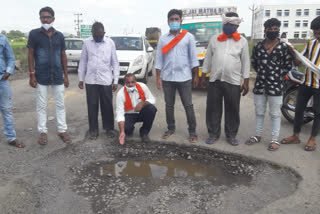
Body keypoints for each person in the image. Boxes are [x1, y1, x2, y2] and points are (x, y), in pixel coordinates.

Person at [201, 12, 250, 146]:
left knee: (233, 108)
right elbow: (208, 58)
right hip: (215, 79)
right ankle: (213, 133)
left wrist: (246, 81)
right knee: (213, 108)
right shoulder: (215, 39)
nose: (228, 26)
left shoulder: (242, 41)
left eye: (231, 24)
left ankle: (231, 135)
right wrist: (204, 75)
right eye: (226, 24)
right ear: (223, 24)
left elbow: (246, 62)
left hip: (233, 80)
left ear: (236, 26)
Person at [245, 18, 292, 151]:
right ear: (265, 30)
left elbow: (288, 64)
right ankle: (257, 136)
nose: (273, 31)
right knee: (259, 112)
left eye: (275, 29)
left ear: (279, 30)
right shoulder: (258, 47)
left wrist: (275, 75)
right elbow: (254, 62)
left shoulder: (284, 47)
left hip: (276, 86)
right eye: (270, 29)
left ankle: (274, 140)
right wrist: (263, 73)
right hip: (260, 85)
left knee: (275, 114)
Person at [28, 6, 71, 145]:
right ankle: (42, 131)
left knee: (60, 104)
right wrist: (32, 74)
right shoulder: (34, 34)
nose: (45, 19)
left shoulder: (59, 36)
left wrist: (66, 75)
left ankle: (62, 130)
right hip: (41, 75)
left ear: (53, 18)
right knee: (41, 105)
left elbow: (63, 55)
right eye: (43, 17)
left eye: (48, 17)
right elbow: (30, 54)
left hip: (57, 75)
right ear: (40, 19)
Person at [155, 9, 199, 143]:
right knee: (169, 105)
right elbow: (159, 60)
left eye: (176, 19)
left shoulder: (188, 37)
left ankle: (192, 132)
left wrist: (196, 76)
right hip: (167, 78)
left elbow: (193, 59)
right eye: (172, 19)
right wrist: (158, 78)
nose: (174, 21)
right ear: (168, 21)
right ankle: (170, 128)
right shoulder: (162, 39)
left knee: (188, 105)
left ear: (181, 21)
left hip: (185, 77)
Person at [281, 16, 320, 151]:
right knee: (298, 110)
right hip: (306, 82)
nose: (316, 35)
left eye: (318, 32)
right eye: (315, 32)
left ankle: (312, 139)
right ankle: (295, 135)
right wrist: (292, 52)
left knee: (318, 113)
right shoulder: (310, 44)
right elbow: (298, 61)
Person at [78, 22, 120, 140]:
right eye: (96, 35)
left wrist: (115, 80)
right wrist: (81, 78)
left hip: (106, 79)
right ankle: (93, 130)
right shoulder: (87, 43)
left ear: (104, 33)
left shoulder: (110, 43)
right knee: (92, 105)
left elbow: (115, 62)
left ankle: (109, 128)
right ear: (92, 33)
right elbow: (83, 61)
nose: (98, 37)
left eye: (100, 35)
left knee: (107, 105)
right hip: (91, 80)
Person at [116, 73, 157, 145]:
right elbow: (120, 114)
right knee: (127, 130)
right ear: (124, 83)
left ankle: (144, 132)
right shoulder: (120, 94)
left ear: (136, 81)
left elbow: (152, 99)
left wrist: (142, 104)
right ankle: (129, 130)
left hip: (142, 112)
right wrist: (122, 131)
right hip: (129, 114)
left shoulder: (142, 86)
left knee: (151, 109)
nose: (130, 84)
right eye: (128, 82)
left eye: (132, 82)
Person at [0, 33, 24, 148]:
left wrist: (8, 72)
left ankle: (11, 137)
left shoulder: (3, 39)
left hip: (1, 79)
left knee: (6, 109)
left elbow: (10, 58)